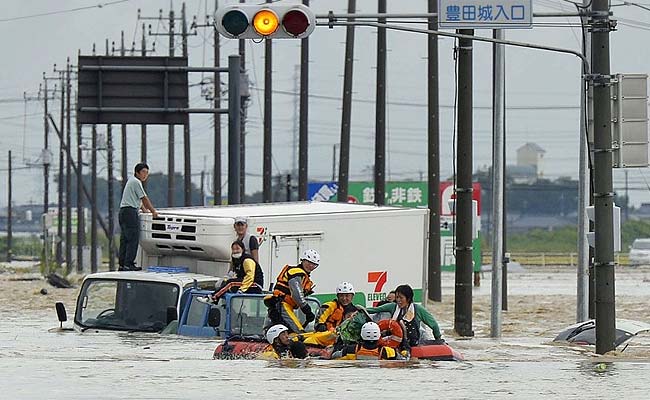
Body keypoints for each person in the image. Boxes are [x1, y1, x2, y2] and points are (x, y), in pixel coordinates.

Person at [366, 284, 443, 348]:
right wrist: (358, 309)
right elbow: (374, 310)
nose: (398, 300)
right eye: (397, 297)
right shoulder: (392, 307)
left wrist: (438, 340)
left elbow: (434, 325)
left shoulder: (418, 309)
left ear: (408, 298)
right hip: (394, 344)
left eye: (401, 298)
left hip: (413, 345)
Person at [264, 249, 320, 333]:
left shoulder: (303, 276)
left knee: (286, 331)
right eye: (309, 262)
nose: (311, 266)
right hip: (282, 305)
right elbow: (296, 295)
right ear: (303, 261)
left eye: (314, 264)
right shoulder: (296, 272)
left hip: (281, 306)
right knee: (298, 332)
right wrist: (307, 311)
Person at [118, 162, 158, 271]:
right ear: (137, 172)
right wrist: (153, 212)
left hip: (123, 211)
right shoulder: (136, 182)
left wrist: (144, 211)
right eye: (143, 172)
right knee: (133, 238)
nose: (145, 175)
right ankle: (129, 263)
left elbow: (138, 201)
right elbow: (144, 198)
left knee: (125, 239)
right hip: (130, 212)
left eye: (147, 173)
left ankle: (122, 264)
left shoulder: (131, 182)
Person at [303, 281, 357, 347]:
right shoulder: (330, 306)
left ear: (352, 296)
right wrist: (321, 325)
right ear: (337, 296)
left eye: (347, 296)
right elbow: (319, 321)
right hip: (329, 335)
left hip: (345, 337)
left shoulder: (355, 310)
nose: (344, 298)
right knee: (310, 339)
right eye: (341, 296)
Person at [331, 322, 401, 360]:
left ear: (362, 334)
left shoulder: (350, 349)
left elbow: (334, 356)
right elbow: (402, 360)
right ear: (378, 334)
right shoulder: (388, 352)